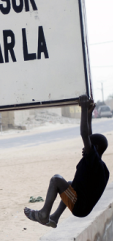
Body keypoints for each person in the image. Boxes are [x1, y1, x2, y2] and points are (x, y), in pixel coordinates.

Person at [24, 95, 109, 228]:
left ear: (95, 148)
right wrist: (88, 114)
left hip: (79, 206)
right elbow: (89, 135)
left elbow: (85, 134)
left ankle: (43, 214)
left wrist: (84, 107)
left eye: (88, 145)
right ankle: (54, 218)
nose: (84, 147)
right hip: (83, 205)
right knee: (69, 184)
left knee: (56, 180)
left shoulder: (94, 161)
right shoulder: (99, 166)